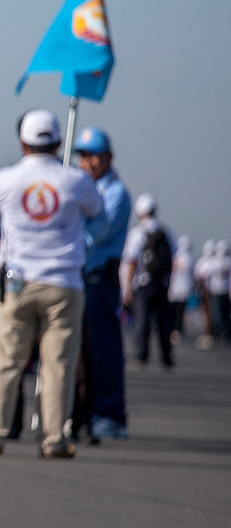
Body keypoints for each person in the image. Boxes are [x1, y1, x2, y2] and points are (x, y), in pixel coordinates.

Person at [0, 110, 104, 459]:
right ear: (57, 142)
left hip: (18, 282)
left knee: (5, 361)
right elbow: (96, 207)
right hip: (64, 283)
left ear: (22, 142)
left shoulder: (5, 180)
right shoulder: (75, 181)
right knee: (58, 366)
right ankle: (55, 439)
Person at [73, 127, 131, 442]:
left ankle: (109, 415)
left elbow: (94, 236)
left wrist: (63, 234)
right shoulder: (84, 188)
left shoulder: (115, 193)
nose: (88, 162)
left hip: (100, 277)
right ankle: (83, 413)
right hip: (80, 277)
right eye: (82, 156)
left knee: (103, 348)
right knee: (80, 351)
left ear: (108, 157)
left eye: (94, 155)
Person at [122, 194, 175, 369]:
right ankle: (166, 356)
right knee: (163, 323)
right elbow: (173, 259)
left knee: (142, 322)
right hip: (161, 284)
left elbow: (131, 261)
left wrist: (128, 287)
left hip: (142, 284)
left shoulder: (137, 232)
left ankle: (141, 355)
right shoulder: (165, 232)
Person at [168, 235, 194, 344]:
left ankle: (172, 330)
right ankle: (177, 331)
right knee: (180, 312)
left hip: (173, 288)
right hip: (184, 288)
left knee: (172, 312)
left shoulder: (174, 256)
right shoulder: (190, 258)